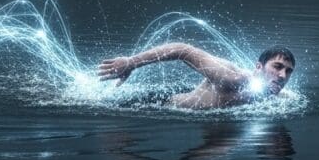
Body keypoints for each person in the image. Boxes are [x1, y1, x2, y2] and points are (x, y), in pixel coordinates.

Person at [97, 43, 295, 110]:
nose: (282, 75)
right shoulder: (232, 78)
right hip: (155, 103)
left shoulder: (279, 96)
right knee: (100, 103)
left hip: (196, 101)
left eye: (288, 71)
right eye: (277, 67)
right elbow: (182, 50)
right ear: (259, 67)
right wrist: (131, 62)